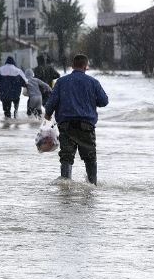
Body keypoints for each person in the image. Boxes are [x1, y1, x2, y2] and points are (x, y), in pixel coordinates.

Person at [44, 54, 108, 185]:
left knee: (66, 157)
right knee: (90, 158)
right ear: (86, 67)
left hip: (66, 126)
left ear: (72, 66)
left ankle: (65, 186)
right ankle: (92, 186)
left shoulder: (61, 82)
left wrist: (48, 115)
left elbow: (52, 102)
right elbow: (104, 101)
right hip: (86, 126)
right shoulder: (93, 82)